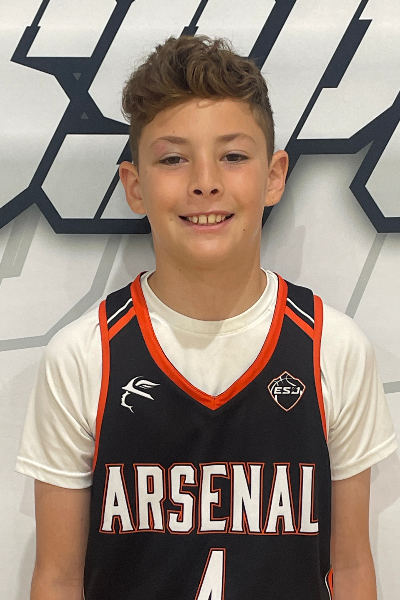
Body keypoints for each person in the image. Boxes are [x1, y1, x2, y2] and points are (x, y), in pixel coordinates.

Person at [16, 36, 397, 600]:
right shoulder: (83, 356)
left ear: (274, 175)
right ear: (135, 186)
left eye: (233, 156)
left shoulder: (332, 347)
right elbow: (57, 578)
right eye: (173, 158)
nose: (205, 181)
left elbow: (352, 568)